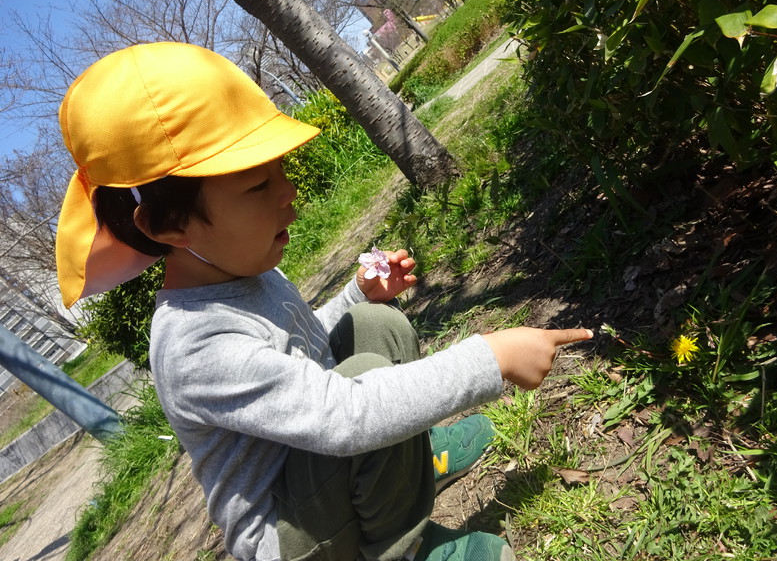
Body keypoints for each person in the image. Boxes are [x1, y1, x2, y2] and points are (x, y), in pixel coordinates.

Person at [55, 42, 593, 561]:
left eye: (279, 172)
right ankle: (397, 549)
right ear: (170, 224)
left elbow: (297, 340)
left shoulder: (240, 262)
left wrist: (360, 293)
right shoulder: (192, 345)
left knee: (374, 325)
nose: (289, 191)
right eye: (257, 186)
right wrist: (489, 358)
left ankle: (412, 464)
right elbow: (345, 415)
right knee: (361, 382)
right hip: (293, 538)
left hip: (317, 467)